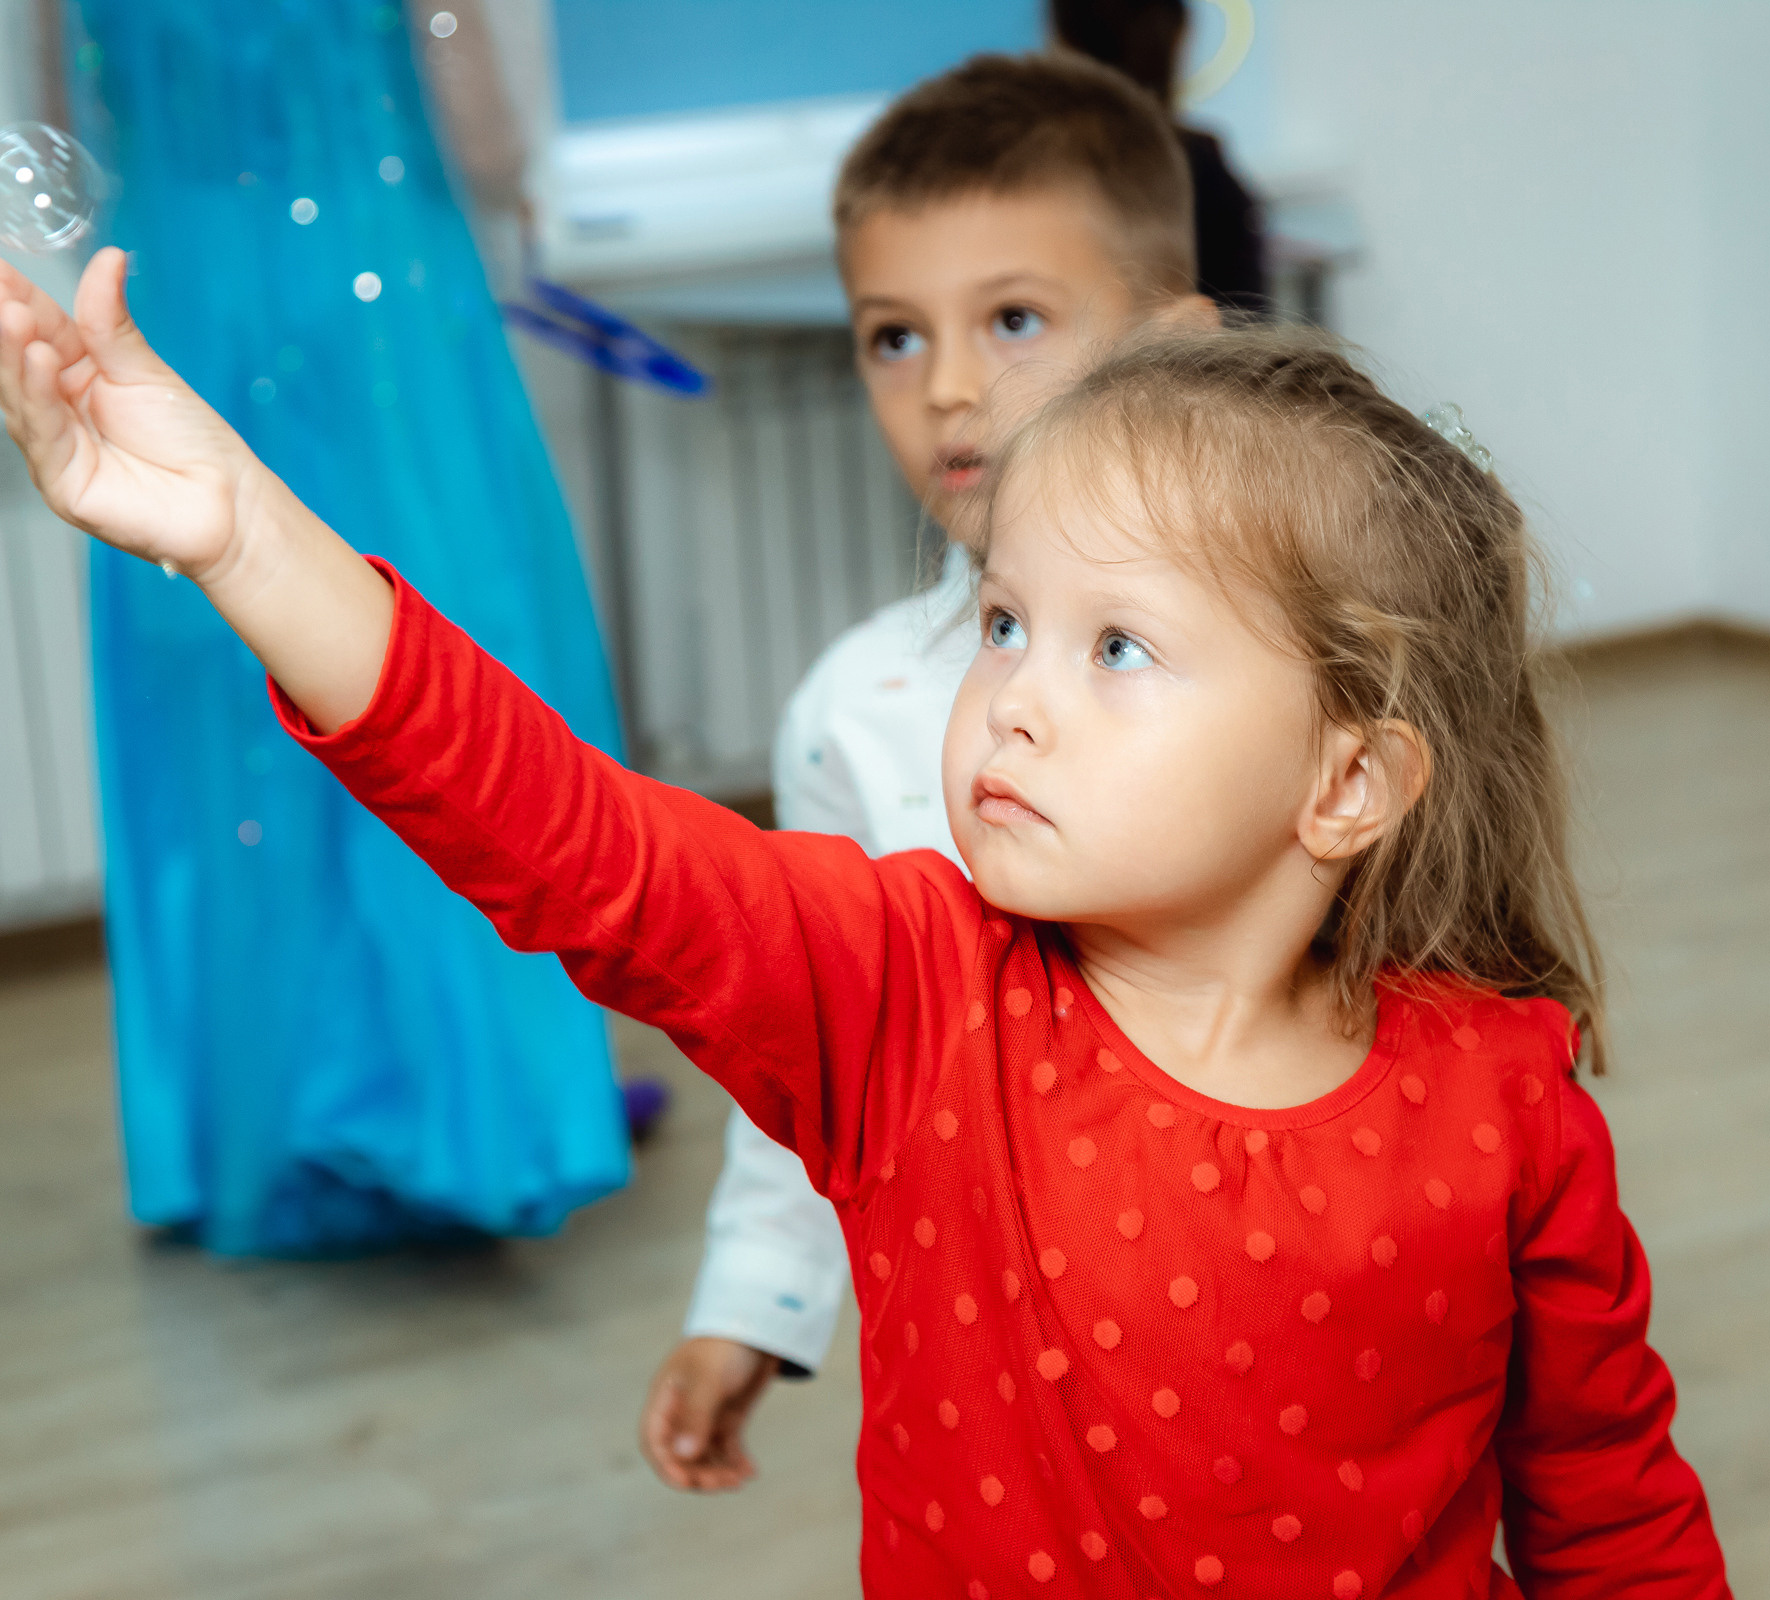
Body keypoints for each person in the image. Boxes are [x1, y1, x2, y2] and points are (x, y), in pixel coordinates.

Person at [0, 247, 1730, 1596]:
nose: (1015, 701)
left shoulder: (1506, 1100)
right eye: (1005, 625)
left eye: (1116, 649)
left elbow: (1613, 1508)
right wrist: (240, 540)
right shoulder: (908, 993)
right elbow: (567, 834)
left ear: (1348, 784)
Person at [639, 51, 1221, 1495]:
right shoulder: (860, 708)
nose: (950, 387)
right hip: (974, 1396)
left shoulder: (1279, 668)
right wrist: (755, 1301)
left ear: (1175, 341)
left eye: (1012, 319)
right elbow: (806, 1053)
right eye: (893, 337)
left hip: (1256, 1329)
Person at [49, 0, 633, 1253]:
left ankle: (249, 1119)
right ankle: (474, 1108)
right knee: (434, 684)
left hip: (185, 306)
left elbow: (75, 134)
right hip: (383, 327)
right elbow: (486, 148)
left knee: (228, 734)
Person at [1049, 0, 1270, 312]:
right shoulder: (1206, 173)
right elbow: (1251, 328)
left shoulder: (1045, 176)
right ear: (1177, 36)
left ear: (1062, 40)